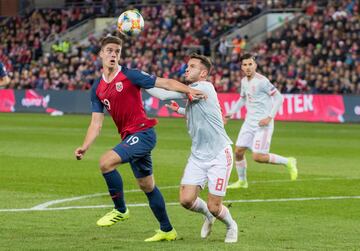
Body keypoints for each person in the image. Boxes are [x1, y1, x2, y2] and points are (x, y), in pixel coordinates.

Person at [74, 36, 205, 242]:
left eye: (117, 51)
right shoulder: (97, 88)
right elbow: (96, 124)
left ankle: (120, 210)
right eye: (109, 50)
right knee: (147, 186)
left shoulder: (130, 75)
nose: (113, 54)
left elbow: (166, 83)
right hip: (130, 136)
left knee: (106, 162)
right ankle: (167, 230)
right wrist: (85, 146)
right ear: (100, 54)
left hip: (143, 133)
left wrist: (188, 89)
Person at [160, 53, 238, 243]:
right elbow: (197, 112)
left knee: (214, 205)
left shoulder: (204, 87)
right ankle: (208, 216)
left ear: (203, 73)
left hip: (219, 154)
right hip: (198, 156)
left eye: (192, 66)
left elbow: (166, 90)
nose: (187, 69)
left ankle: (231, 225)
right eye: (188, 65)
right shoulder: (193, 92)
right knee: (186, 200)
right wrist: (178, 109)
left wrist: (142, 80)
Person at [225, 53, 298, 189]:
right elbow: (242, 99)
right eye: (245, 65)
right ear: (241, 67)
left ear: (255, 66)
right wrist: (230, 113)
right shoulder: (244, 82)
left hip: (263, 124)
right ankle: (242, 181)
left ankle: (288, 161)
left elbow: (279, 98)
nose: (248, 67)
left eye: (250, 64)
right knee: (238, 151)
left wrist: (269, 117)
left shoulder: (262, 81)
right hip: (249, 122)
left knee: (258, 157)